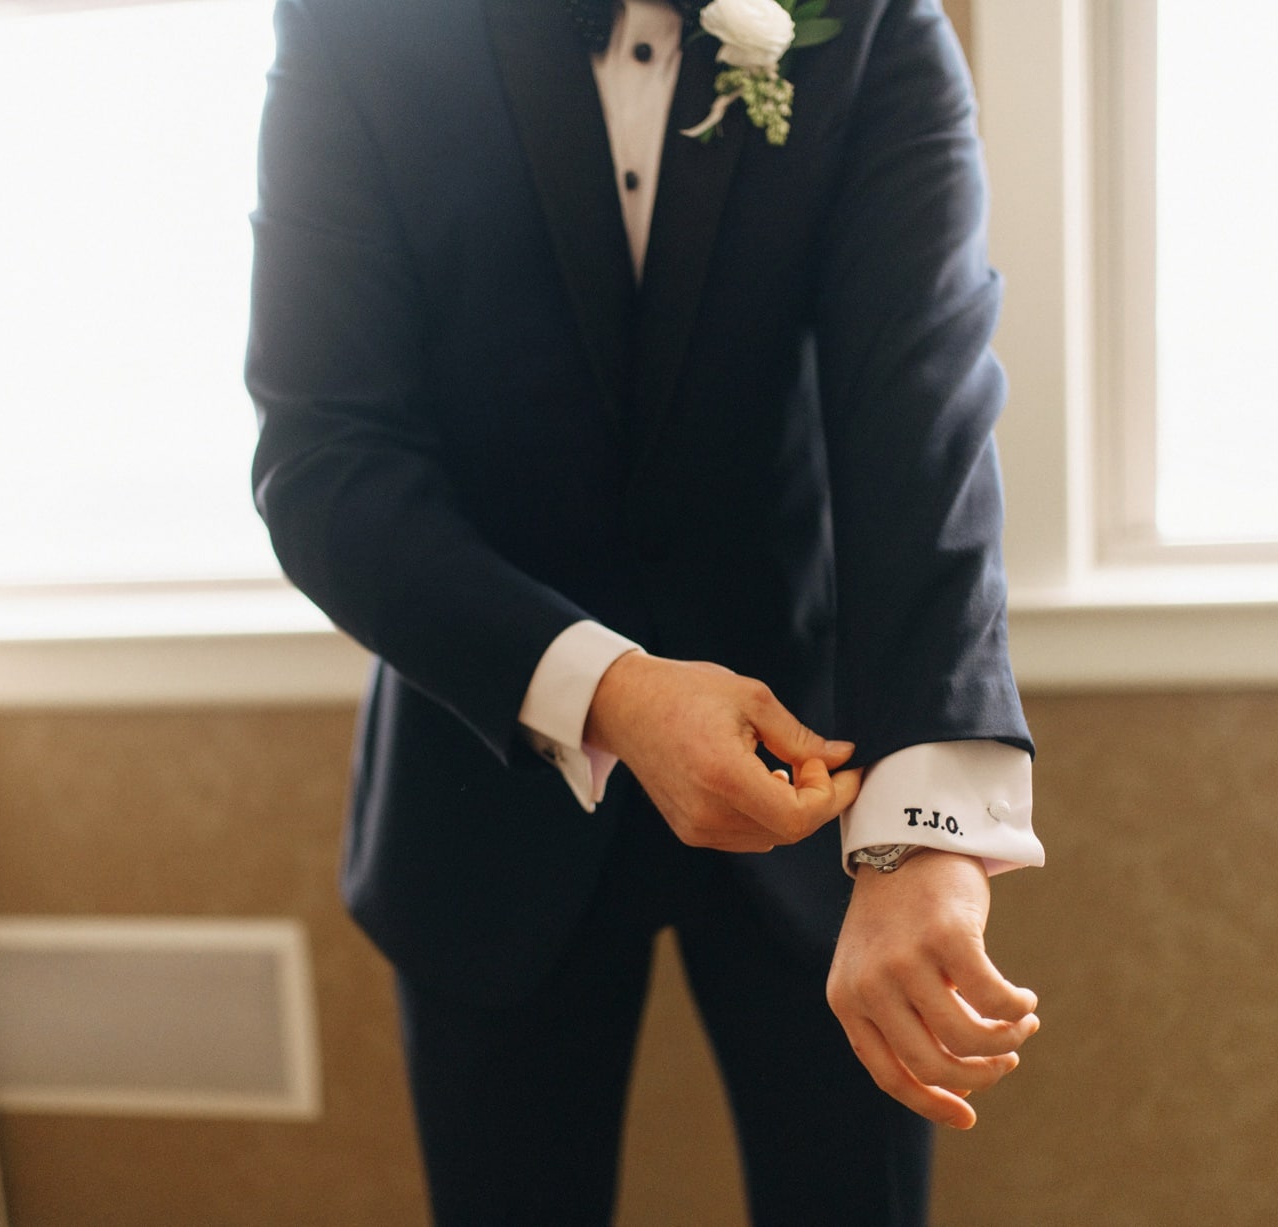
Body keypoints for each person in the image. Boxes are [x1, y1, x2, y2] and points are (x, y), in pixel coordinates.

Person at [246, 0, 1046, 1221]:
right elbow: (324, 464)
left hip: (824, 784)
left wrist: (927, 832)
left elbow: (920, 420)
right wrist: (608, 689)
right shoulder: (354, 25)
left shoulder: (871, 21)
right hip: (487, 772)